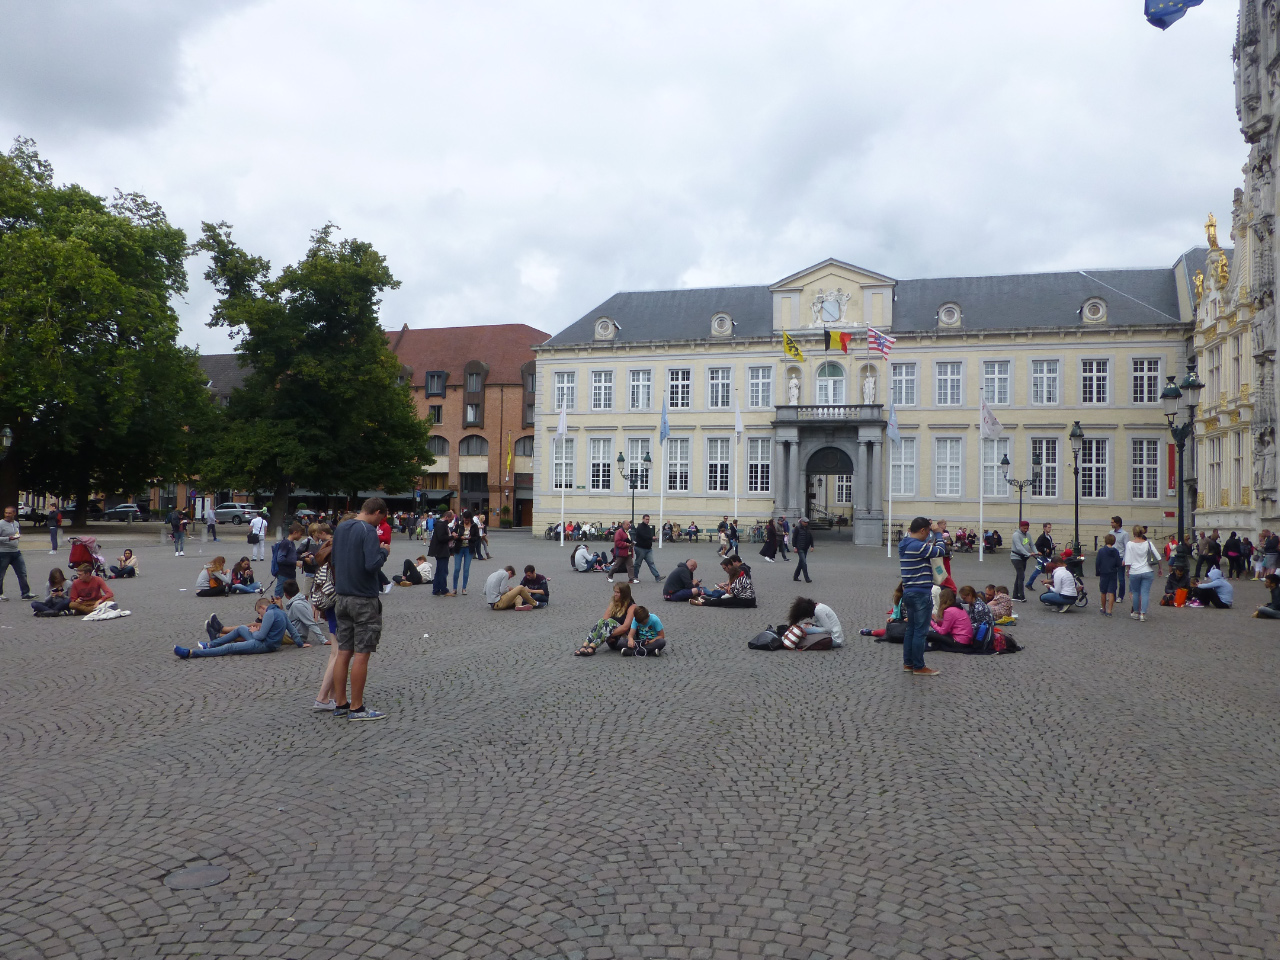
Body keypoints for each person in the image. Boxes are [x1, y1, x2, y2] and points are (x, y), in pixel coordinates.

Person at [329, 498, 391, 721]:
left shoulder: (341, 527)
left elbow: (334, 560)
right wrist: (384, 552)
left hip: (342, 597)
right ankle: (356, 708)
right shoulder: (368, 531)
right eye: (380, 519)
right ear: (376, 512)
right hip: (363, 599)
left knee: (343, 652)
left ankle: (340, 703)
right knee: (362, 655)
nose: (379, 524)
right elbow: (371, 564)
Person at [898, 517, 948, 676]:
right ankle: (919, 666)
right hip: (921, 592)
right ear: (922, 530)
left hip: (908, 592)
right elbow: (941, 551)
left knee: (911, 630)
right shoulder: (918, 546)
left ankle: (908, 663)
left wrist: (931, 530)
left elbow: (927, 547)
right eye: (927, 532)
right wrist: (938, 533)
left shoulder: (904, 544)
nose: (928, 535)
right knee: (920, 632)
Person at [176, 596, 286, 659]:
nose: (260, 616)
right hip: (265, 642)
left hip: (263, 645)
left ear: (262, 607)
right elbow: (292, 630)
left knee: (229, 648)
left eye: (259, 612)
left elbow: (260, 636)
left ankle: (191, 653)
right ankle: (211, 644)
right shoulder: (280, 612)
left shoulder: (269, 614)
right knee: (241, 628)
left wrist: (254, 632)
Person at [573, 583, 638, 655]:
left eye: (618, 592)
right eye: (615, 592)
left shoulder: (632, 606)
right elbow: (604, 621)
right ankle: (585, 645)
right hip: (611, 638)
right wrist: (606, 634)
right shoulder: (613, 603)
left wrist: (608, 634)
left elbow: (625, 627)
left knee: (610, 622)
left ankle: (593, 646)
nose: (615, 594)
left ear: (624, 594)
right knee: (602, 621)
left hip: (623, 638)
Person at [1123, 524, 1159, 622]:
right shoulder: (1148, 543)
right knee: (1145, 593)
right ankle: (1143, 613)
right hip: (1147, 570)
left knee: (1135, 592)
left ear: (1133, 533)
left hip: (1134, 571)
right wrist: (1160, 569)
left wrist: (1128, 570)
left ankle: (1136, 612)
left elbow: (1128, 560)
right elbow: (1158, 557)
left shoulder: (1130, 544)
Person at [689, 556, 756, 607]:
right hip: (748, 599)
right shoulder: (739, 575)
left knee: (723, 601)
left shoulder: (739, 577)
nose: (725, 571)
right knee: (723, 599)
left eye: (724, 568)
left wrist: (727, 589)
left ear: (729, 566)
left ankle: (702, 603)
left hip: (746, 600)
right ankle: (706, 600)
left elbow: (735, 593)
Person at [0, 506, 35, 601]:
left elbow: (16, 533)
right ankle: (0, 594)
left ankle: (25, 593)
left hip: (15, 552)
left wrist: (17, 537)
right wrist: (8, 538)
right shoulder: (1, 524)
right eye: (6, 513)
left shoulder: (16, 523)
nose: (7, 515)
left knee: (22, 572)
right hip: (3, 552)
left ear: (14, 514)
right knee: (1, 574)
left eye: (9, 513)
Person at [926, 588, 974, 652]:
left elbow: (943, 631)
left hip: (958, 642)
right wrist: (937, 621)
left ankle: (924, 647)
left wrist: (930, 622)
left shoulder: (949, 611)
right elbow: (948, 626)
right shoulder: (958, 608)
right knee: (934, 634)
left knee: (928, 634)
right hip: (965, 640)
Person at [282, 579, 324, 646]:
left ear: (285, 594)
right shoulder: (302, 600)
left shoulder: (297, 605)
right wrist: (280, 607)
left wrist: (323, 640)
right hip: (294, 634)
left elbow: (310, 623)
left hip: (294, 636)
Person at [448, 509, 479, 596]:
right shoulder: (459, 525)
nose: (466, 521)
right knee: (457, 568)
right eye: (465, 519)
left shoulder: (474, 526)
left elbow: (477, 537)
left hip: (469, 549)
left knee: (466, 569)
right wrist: (459, 537)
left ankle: (464, 588)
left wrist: (470, 538)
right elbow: (453, 533)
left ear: (470, 519)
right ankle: (454, 588)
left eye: (467, 520)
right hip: (459, 548)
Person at [269, 524, 304, 596]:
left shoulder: (291, 543)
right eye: (300, 534)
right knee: (278, 595)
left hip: (291, 573)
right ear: (295, 532)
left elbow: (291, 557)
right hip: (284, 574)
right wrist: (295, 563)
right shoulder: (286, 543)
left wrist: (301, 556)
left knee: (294, 594)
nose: (301, 536)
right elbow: (280, 559)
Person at [428, 509, 454, 595]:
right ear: (446, 517)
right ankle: (443, 589)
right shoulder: (442, 525)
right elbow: (442, 538)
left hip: (439, 550)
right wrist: (452, 537)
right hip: (442, 551)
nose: (451, 521)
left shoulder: (439, 524)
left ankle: (436, 589)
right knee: (443, 571)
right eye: (450, 519)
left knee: (439, 570)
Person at [1095, 534, 1122, 617]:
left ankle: (1103, 608)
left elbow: (1097, 562)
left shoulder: (1101, 551)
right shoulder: (1116, 551)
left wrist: (1097, 571)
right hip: (1113, 573)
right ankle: (1109, 610)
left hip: (1103, 572)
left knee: (1103, 592)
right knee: (1111, 592)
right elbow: (1119, 563)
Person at [1008, 520, 1034, 603]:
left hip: (1024, 557)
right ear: (1020, 527)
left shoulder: (1027, 535)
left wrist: (1036, 553)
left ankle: (1015, 595)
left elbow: (1031, 544)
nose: (1026, 530)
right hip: (1016, 557)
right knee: (1021, 576)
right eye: (1024, 528)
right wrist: (1028, 553)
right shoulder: (1016, 535)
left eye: (1027, 528)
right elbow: (1019, 547)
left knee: (1019, 576)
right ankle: (1021, 595)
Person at [632, 515, 662, 582]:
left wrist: (651, 538)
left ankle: (657, 577)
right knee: (638, 563)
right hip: (640, 548)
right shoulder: (640, 527)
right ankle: (635, 577)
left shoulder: (648, 527)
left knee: (651, 563)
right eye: (646, 519)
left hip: (648, 549)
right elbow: (643, 536)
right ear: (643, 519)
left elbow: (648, 536)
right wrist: (651, 538)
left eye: (648, 519)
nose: (647, 521)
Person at [1027, 522, 1054, 592]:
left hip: (1047, 556)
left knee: (1048, 570)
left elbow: (1049, 546)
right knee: (1039, 570)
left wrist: (1052, 547)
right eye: (1048, 527)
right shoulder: (1042, 537)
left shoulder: (1048, 537)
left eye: (1050, 527)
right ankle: (1029, 583)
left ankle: (1050, 584)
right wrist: (1044, 549)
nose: (1050, 529)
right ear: (1044, 528)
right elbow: (1037, 545)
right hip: (1042, 557)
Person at [608, 519, 636, 583]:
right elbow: (617, 542)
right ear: (623, 525)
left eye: (629, 524)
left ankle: (631, 578)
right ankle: (609, 576)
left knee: (630, 566)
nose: (629, 525)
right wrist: (626, 544)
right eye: (627, 524)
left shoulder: (628, 532)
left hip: (628, 551)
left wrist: (632, 543)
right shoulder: (619, 532)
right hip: (621, 552)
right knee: (616, 566)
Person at [1110, 517, 1130, 602]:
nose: (1111, 524)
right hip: (1112, 557)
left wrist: (1125, 559)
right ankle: (1112, 595)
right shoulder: (1111, 533)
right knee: (1112, 578)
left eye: (1113, 522)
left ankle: (1120, 596)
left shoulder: (1124, 534)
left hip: (1120, 557)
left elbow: (1127, 547)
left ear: (1118, 523)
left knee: (1121, 578)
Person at [791, 517, 814, 583]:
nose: (806, 523)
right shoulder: (797, 528)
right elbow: (794, 538)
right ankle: (807, 578)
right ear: (802, 522)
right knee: (804, 562)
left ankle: (795, 576)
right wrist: (794, 547)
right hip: (800, 547)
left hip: (806, 547)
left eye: (807, 522)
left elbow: (810, 537)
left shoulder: (808, 528)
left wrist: (812, 546)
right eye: (805, 522)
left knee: (801, 563)